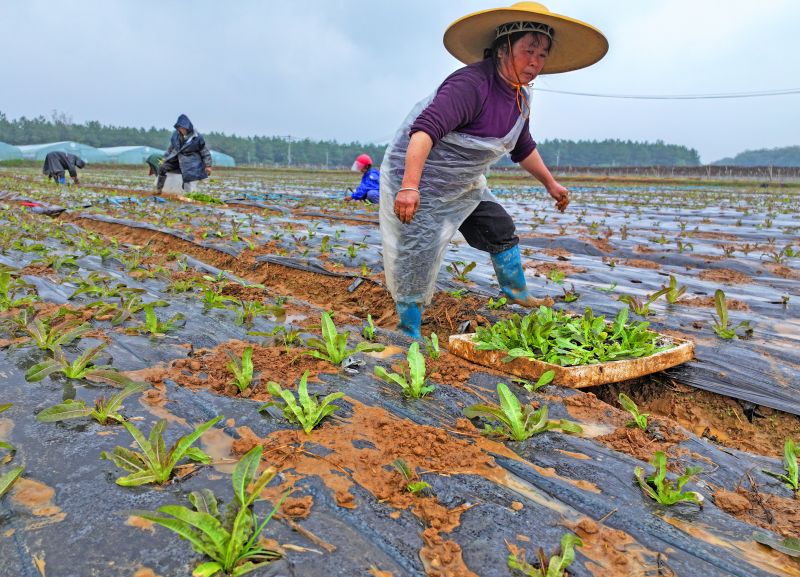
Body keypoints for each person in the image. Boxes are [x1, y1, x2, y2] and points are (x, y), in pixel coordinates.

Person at [380, 2, 607, 338]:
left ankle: (518, 293)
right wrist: (410, 186)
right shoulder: (471, 85)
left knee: (499, 227)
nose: (535, 62)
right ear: (503, 49)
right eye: (528, 51)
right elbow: (424, 132)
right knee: (417, 254)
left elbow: (522, 145)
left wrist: (551, 184)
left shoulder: (520, 97)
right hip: (419, 180)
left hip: (463, 184)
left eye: (542, 55)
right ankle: (408, 330)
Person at [155, 114, 212, 193]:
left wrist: (208, 165)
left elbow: (204, 152)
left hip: (190, 162)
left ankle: (188, 194)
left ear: (188, 128)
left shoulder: (197, 137)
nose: (182, 130)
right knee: (162, 167)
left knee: (187, 176)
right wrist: (165, 158)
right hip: (176, 160)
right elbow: (170, 149)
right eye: (180, 128)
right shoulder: (176, 136)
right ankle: (159, 189)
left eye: (184, 128)